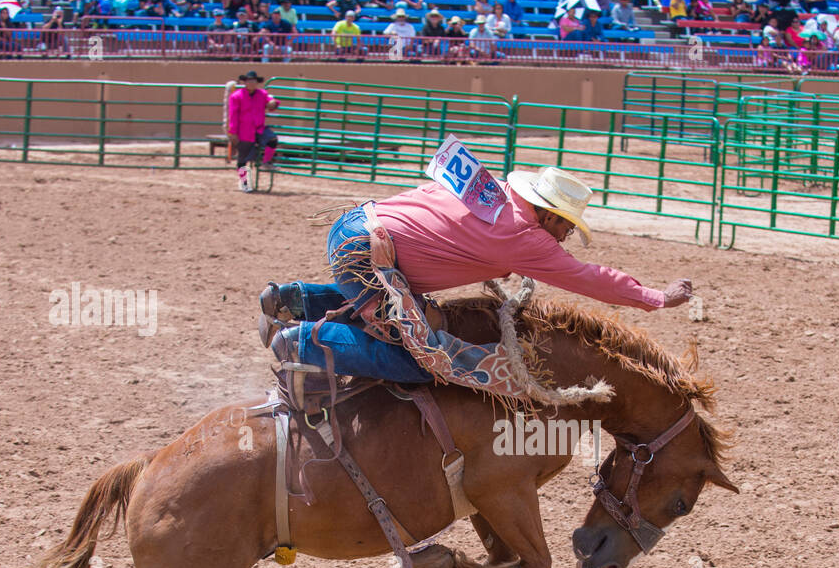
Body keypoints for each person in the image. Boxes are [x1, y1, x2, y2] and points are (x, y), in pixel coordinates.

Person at [260, 166, 694, 398]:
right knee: (420, 358)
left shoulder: (496, 191)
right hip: (368, 258)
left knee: (403, 302)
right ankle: (299, 343)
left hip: (356, 225)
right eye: (565, 226)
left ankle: (291, 301)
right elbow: (589, 278)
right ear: (548, 214)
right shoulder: (527, 238)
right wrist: (655, 297)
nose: (565, 237)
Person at [228, 70, 279, 191]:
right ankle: (244, 183)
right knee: (243, 159)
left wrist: (273, 103)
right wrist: (233, 132)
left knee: (272, 139)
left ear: (257, 82)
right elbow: (233, 115)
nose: (251, 83)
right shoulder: (236, 96)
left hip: (259, 128)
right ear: (245, 82)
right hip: (244, 131)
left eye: (253, 80)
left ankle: (266, 161)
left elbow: (271, 102)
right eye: (249, 80)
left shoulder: (262, 94)